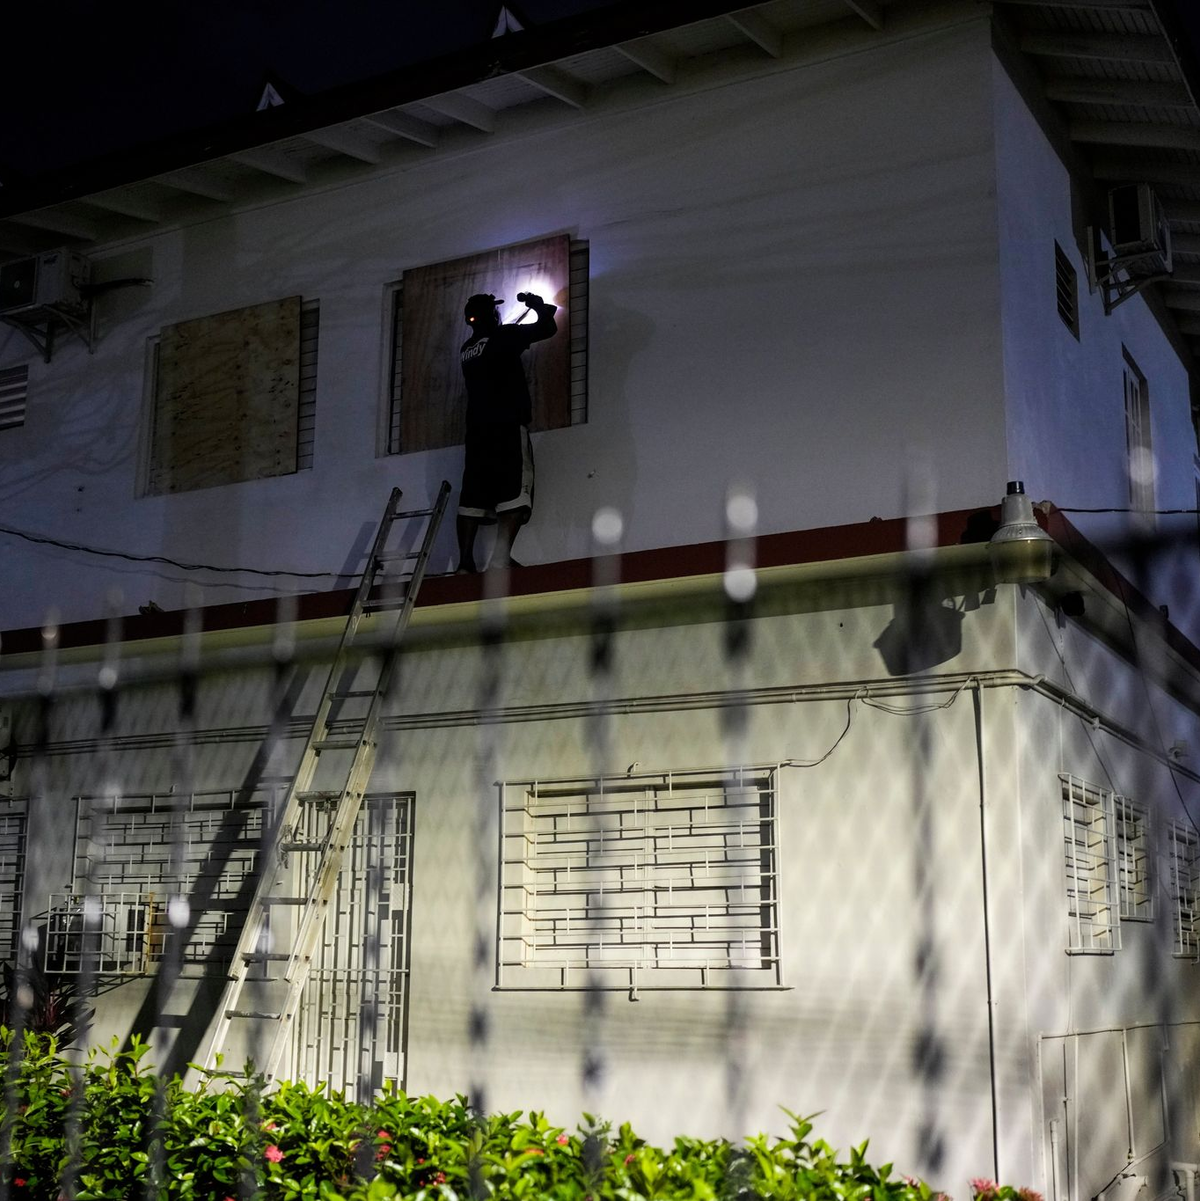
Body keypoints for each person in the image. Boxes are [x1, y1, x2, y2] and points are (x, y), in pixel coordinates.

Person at [456, 291, 557, 572]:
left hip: (476, 431)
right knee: (514, 489)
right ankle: (500, 559)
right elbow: (548, 328)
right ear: (493, 314)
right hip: (507, 426)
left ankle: (465, 564)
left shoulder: (467, 348)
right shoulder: (504, 336)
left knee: (473, 494)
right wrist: (538, 306)